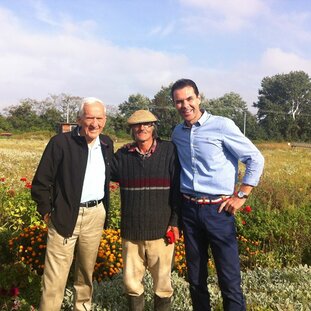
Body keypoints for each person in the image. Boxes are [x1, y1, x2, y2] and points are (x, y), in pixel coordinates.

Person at [170, 79, 264, 311]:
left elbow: (256, 159)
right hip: (189, 210)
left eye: (189, 99)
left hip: (218, 211)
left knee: (229, 279)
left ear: (199, 98)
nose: (185, 105)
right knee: (196, 278)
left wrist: (241, 195)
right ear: (174, 104)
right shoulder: (177, 133)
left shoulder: (222, 126)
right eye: (179, 101)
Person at [31, 97, 113, 311]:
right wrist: (47, 213)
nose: (94, 123)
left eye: (99, 118)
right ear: (79, 119)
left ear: (105, 120)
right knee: (54, 278)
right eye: (89, 118)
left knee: (85, 275)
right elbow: (41, 182)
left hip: (95, 215)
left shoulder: (106, 143)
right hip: (65, 216)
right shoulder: (60, 143)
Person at [111, 110, 181, 311]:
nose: (142, 128)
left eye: (147, 124)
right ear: (132, 129)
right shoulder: (123, 155)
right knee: (132, 285)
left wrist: (175, 221)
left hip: (161, 232)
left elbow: (177, 190)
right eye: (137, 125)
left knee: (163, 286)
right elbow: (103, 169)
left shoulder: (169, 152)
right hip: (131, 232)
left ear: (153, 127)